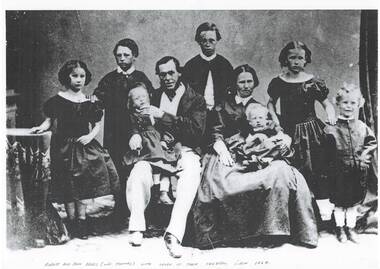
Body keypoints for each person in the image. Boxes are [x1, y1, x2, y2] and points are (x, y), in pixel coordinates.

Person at [191, 64, 318, 249]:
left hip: (256, 151)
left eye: (249, 81)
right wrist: (220, 146)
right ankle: (227, 236)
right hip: (228, 151)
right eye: (241, 82)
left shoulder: (259, 107)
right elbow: (215, 129)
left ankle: (272, 231)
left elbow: (275, 127)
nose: (246, 85)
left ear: (255, 83)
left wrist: (284, 137)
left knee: (282, 173)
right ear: (234, 84)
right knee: (218, 183)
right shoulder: (222, 105)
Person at [126, 56, 207, 258]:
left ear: (179, 73)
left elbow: (196, 131)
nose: (167, 77)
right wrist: (134, 134)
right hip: (156, 149)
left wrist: (163, 115)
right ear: (158, 76)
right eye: (163, 74)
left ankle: (173, 234)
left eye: (171, 73)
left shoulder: (196, 99)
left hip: (186, 149)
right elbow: (135, 118)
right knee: (138, 172)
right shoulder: (151, 95)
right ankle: (136, 227)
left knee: (190, 176)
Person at [31, 60, 120, 240]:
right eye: (74, 76)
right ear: (67, 77)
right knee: (67, 184)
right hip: (63, 147)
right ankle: (71, 221)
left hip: (82, 147)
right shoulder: (58, 100)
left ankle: (81, 219)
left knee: (82, 184)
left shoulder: (89, 102)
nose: (79, 80)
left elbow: (97, 124)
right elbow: (49, 120)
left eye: (82, 76)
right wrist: (41, 127)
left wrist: (90, 136)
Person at [266, 41, 336, 223]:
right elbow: (270, 103)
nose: (296, 61)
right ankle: (298, 217)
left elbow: (326, 103)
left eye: (300, 58)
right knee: (294, 171)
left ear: (306, 60)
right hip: (289, 132)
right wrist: (275, 119)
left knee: (318, 168)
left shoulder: (312, 82)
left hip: (312, 132)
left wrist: (330, 112)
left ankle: (325, 217)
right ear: (285, 59)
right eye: (292, 57)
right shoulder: (279, 82)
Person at [93, 38, 154, 224]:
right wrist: (95, 101)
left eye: (126, 55)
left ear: (134, 57)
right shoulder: (109, 79)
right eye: (118, 55)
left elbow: (151, 100)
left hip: (138, 131)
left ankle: (143, 209)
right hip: (114, 131)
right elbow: (98, 98)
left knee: (138, 167)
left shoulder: (142, 78)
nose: (122, 59)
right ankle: (120, 208)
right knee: (118, 170)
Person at [324, 84, 377, 243]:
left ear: (359, 104)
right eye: (345, 102)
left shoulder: (362, 127)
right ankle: (340, 228)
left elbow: (371, 142)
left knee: (353, 203)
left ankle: (350, 228)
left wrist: (365, 155)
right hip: (338, 172)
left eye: (353, 103)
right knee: (339, 203)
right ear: (337, 103)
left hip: (357, 172)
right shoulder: (330, 127)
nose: (349, 106)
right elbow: (324, 150)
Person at [122, 82, 179, 205]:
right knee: (154, 165)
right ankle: (156, 191)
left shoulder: (155, 111)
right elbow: (132, 128)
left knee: (166, 168)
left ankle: (163, 192)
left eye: (144, 96)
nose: (141, 100)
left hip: (159, 144)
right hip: (146, 145)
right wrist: (135, 136)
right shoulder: (133, 115)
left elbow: (166, 128)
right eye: (137, 98)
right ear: (131, 102)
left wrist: (165, 140)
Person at [182, 22, 234, 149]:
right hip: (196, 116)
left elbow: (231, 92)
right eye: (203, 40)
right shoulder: (191, 65)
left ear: (217, 41)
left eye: (212, 40)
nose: (207, 44)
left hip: (220, 116)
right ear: (198, 42)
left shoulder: (225, 65)